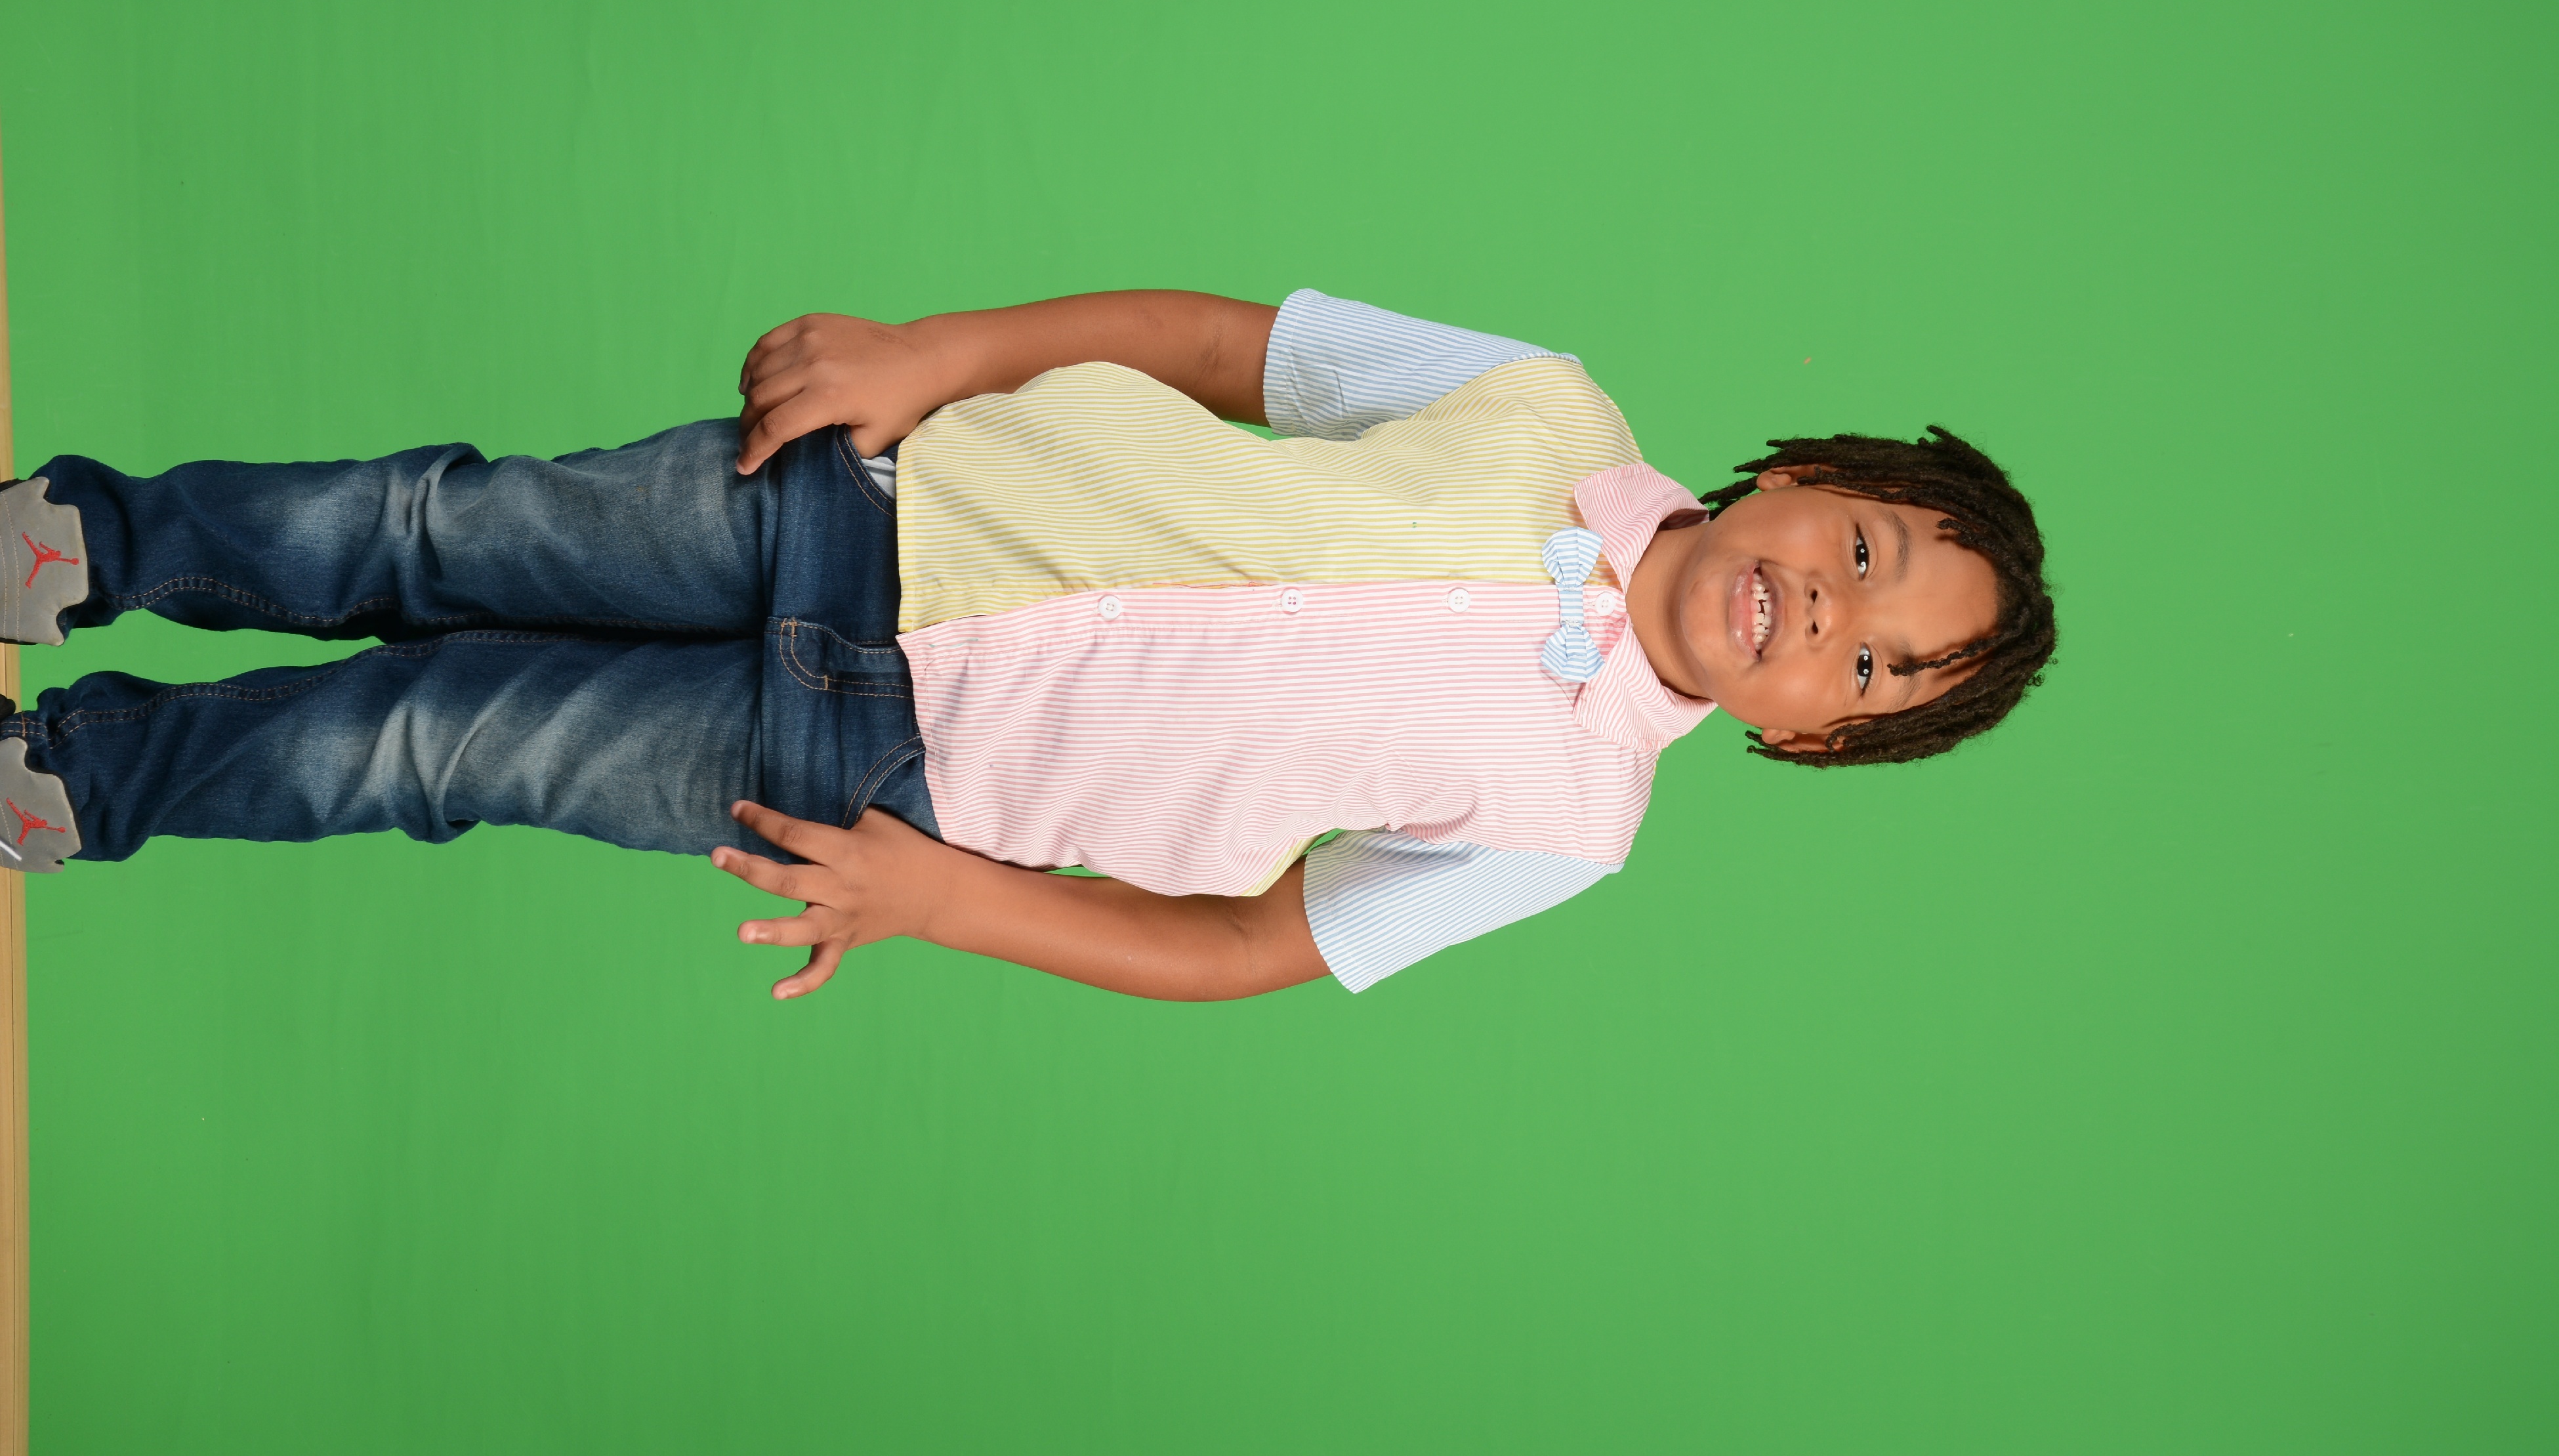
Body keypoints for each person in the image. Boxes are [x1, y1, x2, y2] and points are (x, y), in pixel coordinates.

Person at [0, 289, 2056, 999]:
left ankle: (76, 777)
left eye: (1876, 667)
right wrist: (938, 356)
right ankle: (89, 541)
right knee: (452, 528)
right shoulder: (1543, 404)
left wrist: (947, 901)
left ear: (1812, 739)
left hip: (891, 780)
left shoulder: (1569, 824)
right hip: (881, 502)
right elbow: (1231, 348)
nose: (1833, 616)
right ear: (1804, 475)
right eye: (1863, 551)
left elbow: (1246, 946)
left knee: (451, 743)